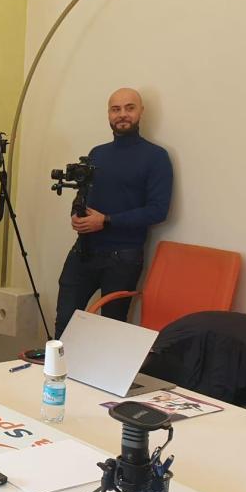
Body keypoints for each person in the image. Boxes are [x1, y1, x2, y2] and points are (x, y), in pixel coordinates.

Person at [54, 87, 173, 336]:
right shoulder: (97, 153)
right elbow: (83, 193)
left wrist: (106, 221)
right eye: (115, 109)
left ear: (141, 111)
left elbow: (157, 211)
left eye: (129, 108)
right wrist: (76, 213)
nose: (122, 115)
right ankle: (60, 363)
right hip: (83, 250)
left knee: (111, 331)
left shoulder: (156, 157)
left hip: (123, 258)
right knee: (65, 323)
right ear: (108, 114)